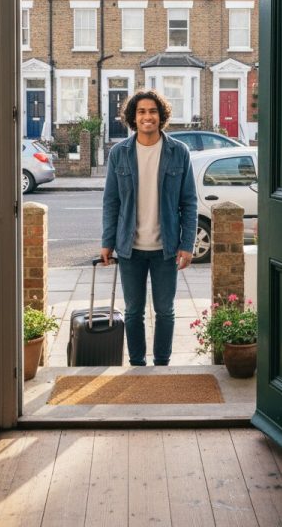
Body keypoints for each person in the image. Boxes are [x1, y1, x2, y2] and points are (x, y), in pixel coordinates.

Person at [100, 89, 198, 366]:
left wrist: (187, 245)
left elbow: (189, 203)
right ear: (133, 117)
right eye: (141, 111)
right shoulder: (119, 153)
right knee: (133, 311)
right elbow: (111, 202)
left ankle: (163, 363)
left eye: (153, 111)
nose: (147, 116)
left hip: (165, 248)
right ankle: (137, 364)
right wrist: (107, 242)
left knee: (165, 311)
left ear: (161, 115)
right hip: (130, 248)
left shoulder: (178, 152)